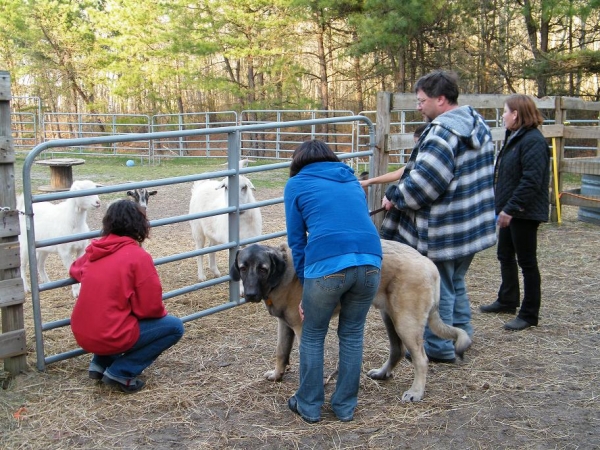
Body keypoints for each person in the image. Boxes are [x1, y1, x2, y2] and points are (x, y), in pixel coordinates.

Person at [380, 70, 497, 363]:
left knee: (438, 289)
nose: (418, 107)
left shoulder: (443, 132)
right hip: (470, 227)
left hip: (444, 230)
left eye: (422, 101)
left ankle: (440, 348)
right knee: (455, 281)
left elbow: (425, 184)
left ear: (441, 99)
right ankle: (462, 336)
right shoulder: (477, 123)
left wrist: (395, 196)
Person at [284, 139, 382, 423]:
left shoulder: (297, 184)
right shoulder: (351, 180)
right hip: (371, 261)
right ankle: (344, 406)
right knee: (352, 333)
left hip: (327, 263)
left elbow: (296, 241)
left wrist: (304, 286)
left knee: (313, 333)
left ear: (297, 162)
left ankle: (309, 406)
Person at [69, 199, 184, 393]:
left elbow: (75, 269)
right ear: (139, 224)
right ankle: (121, 372)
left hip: (82, 332)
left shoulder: (95, 249)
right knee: (174, 327)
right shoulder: (138, 256)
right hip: (109, 335)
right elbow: (150, 308)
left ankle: (99, 363)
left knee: (111, 313)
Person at [479, 94, 549, 331]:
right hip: (511, 210)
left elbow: (531, 180)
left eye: (506, 111)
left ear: (516, 114)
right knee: (505, 254)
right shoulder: (516, 137)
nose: (503, 115)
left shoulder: (532, 141)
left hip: (524, 212)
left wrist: (511, 208)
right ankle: (508, 300)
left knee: (527, 262)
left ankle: (529, 314)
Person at [359, 124, 427, 190]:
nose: (416, 148)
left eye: (419, 144)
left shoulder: (426, 161)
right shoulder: (419, 159)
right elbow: (396, 174)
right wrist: (368, 181)